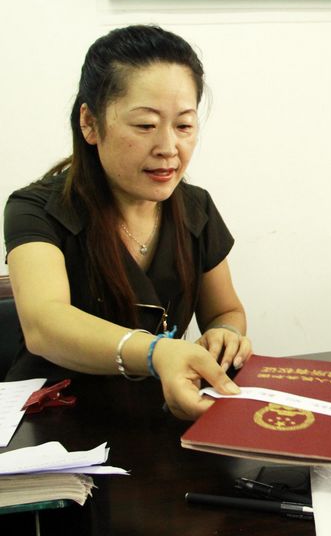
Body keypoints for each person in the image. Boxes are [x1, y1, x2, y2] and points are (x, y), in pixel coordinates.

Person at [3, 25, 253, 420]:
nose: (168, 147)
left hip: (157, 415)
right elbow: (44, 324)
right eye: (145, 125)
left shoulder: (196, 207)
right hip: (52, 420)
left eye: (184, 126)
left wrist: (228, 335)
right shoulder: (36, 208)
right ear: (90, 122)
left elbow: (225, 311)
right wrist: (156, 353)